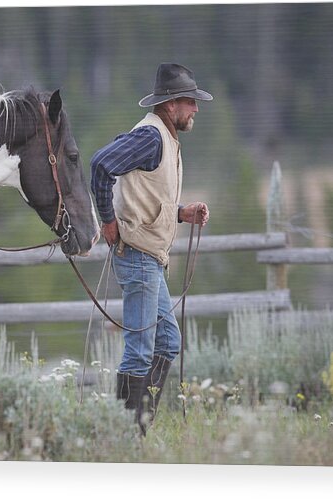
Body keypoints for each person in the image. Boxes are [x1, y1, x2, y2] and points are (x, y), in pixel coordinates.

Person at [90, 63, 211, 434]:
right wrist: (108, 223)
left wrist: (181, 213)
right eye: (190, 102)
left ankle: (138, 426)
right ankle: (127, 435)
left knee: (168, 341)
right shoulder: (152, 136)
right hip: (139, 256)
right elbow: (100, 165)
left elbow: (144, 197)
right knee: (140, 349)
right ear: (171, 105)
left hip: (148, 258)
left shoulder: (163, 137)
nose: (195, 109)